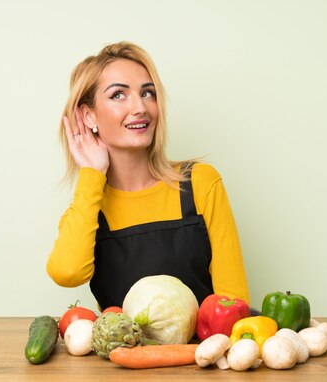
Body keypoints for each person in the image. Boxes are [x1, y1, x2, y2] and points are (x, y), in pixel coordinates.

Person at [46, 41, 250, 310]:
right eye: (118, 95)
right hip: (126, 353)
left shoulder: (200, 183)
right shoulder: (90, 205)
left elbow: (234, 304)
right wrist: (91, 175)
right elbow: (67, 273)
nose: (140, 107)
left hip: (205, 351)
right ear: (88, 116)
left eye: (148, 93)